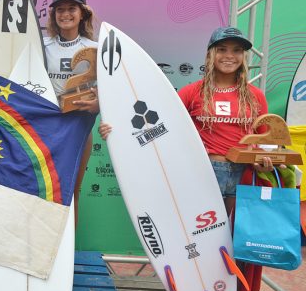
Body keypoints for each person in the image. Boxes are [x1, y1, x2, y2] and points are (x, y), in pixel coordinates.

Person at [99, 26, 273, 213]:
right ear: (210, 54)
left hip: (243, 174)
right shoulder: (192, 92)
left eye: (237, 50)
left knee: (238, 233)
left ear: (243, 56)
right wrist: (117, 129)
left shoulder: (255, 95)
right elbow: (157, 124)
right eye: (222, 49)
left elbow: (265, 140)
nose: (229, 55)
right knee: (206, 236)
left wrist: (263, 161)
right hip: (204, 173)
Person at [0, 0, 100, 222]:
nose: (65, 14)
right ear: (53, 15)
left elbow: (113, 94)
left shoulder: (97, 50)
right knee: (37, 193)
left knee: (71, 192)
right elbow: (2, 62)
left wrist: (99, 104)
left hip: (78, 131)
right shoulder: (41, 46)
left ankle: (64, 255)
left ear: (83, 14)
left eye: (72, 9)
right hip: (42, 132)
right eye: (60, 10)